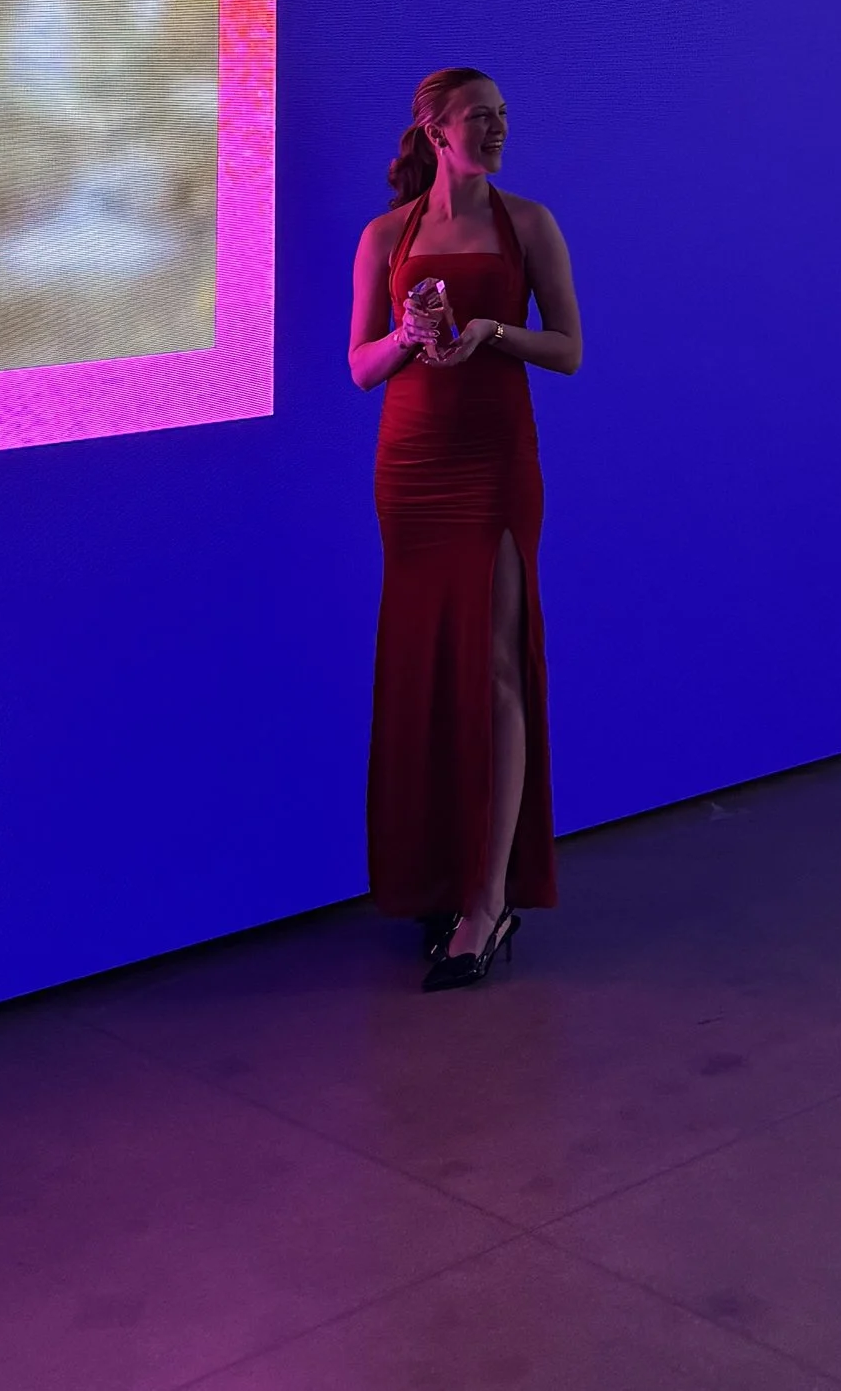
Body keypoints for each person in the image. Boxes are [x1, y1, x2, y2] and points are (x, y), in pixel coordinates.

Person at [350, 67, 582, 989]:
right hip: (410, 469)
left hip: (491, 464)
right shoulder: (386, 233)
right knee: (424, 667)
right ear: (435, 130)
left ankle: (489, 901)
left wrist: (493, 332)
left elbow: (568, 348)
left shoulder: (529, 223)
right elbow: (361, 365)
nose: (496, 130)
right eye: (479, 119)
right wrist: (412, 335)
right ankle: (440, 878)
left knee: (493, 666)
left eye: (503, 118)